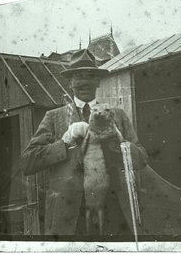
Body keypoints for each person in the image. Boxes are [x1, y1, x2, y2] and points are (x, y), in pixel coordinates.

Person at [21, 49, 147, 236]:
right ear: (70, 82)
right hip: (69, 216)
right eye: (78, 77)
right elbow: (28, 162)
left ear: (98, 81)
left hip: (114, 211)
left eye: (90, 76)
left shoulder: (117, 116)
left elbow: (142, 160)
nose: (84, 82)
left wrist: (120, 142)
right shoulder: (54, 117)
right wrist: (64, 141)